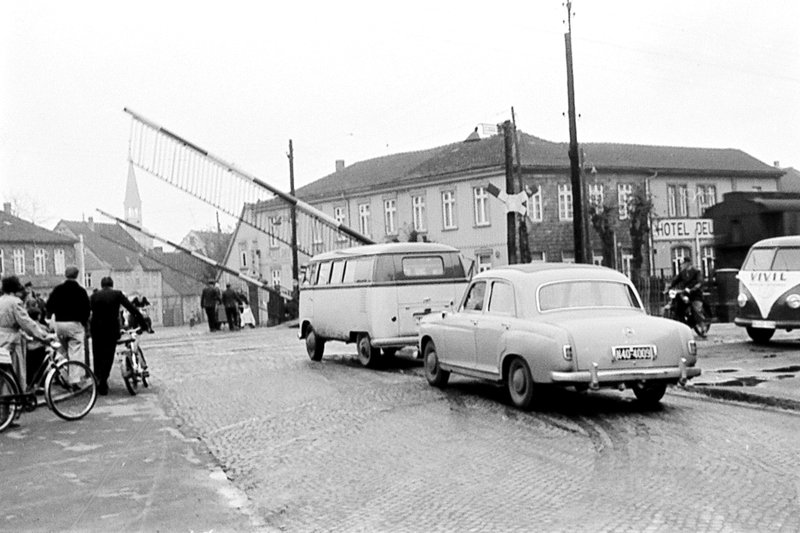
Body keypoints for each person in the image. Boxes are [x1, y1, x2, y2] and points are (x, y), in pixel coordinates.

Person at [89, 276, 148, 395]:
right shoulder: (117, 294)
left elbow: (86, 311)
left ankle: (98, 379)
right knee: (108, 356)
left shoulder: (94, 296)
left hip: (96, 330)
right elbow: (132, 309)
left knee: (98, 355)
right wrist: (143, 323)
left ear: (101, 285)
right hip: (111, 330)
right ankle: (103, 381)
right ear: (112, 284)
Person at [0, 276, 53, 387]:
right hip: (12, 340)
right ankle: (14, 400)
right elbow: (27, 323)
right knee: (16, 371)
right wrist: (43, 335)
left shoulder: (1, 300)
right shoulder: (15, 302)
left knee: (3, 373)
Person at [46, 266, 91, 365]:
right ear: (76, 275)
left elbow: (49, 306)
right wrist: (84, 323)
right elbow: (87, 310)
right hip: (75, 324)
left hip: (60, 324)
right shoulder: (81, 291)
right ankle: (73, 379)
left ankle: (62, 372)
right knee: (75, 351)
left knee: (63, 350)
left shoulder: (58, 289)